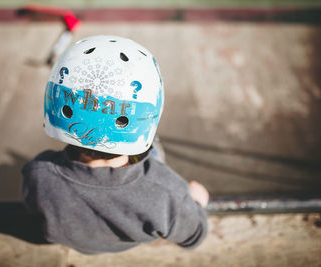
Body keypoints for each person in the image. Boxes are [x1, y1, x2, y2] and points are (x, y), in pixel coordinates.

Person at [22, 35, 209, 254]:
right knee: (154, 152)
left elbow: (34, 210)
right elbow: (194, 236)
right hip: (141, 210)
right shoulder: (166, 192)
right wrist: (197, 203)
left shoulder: (39, 173)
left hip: (76, 240)